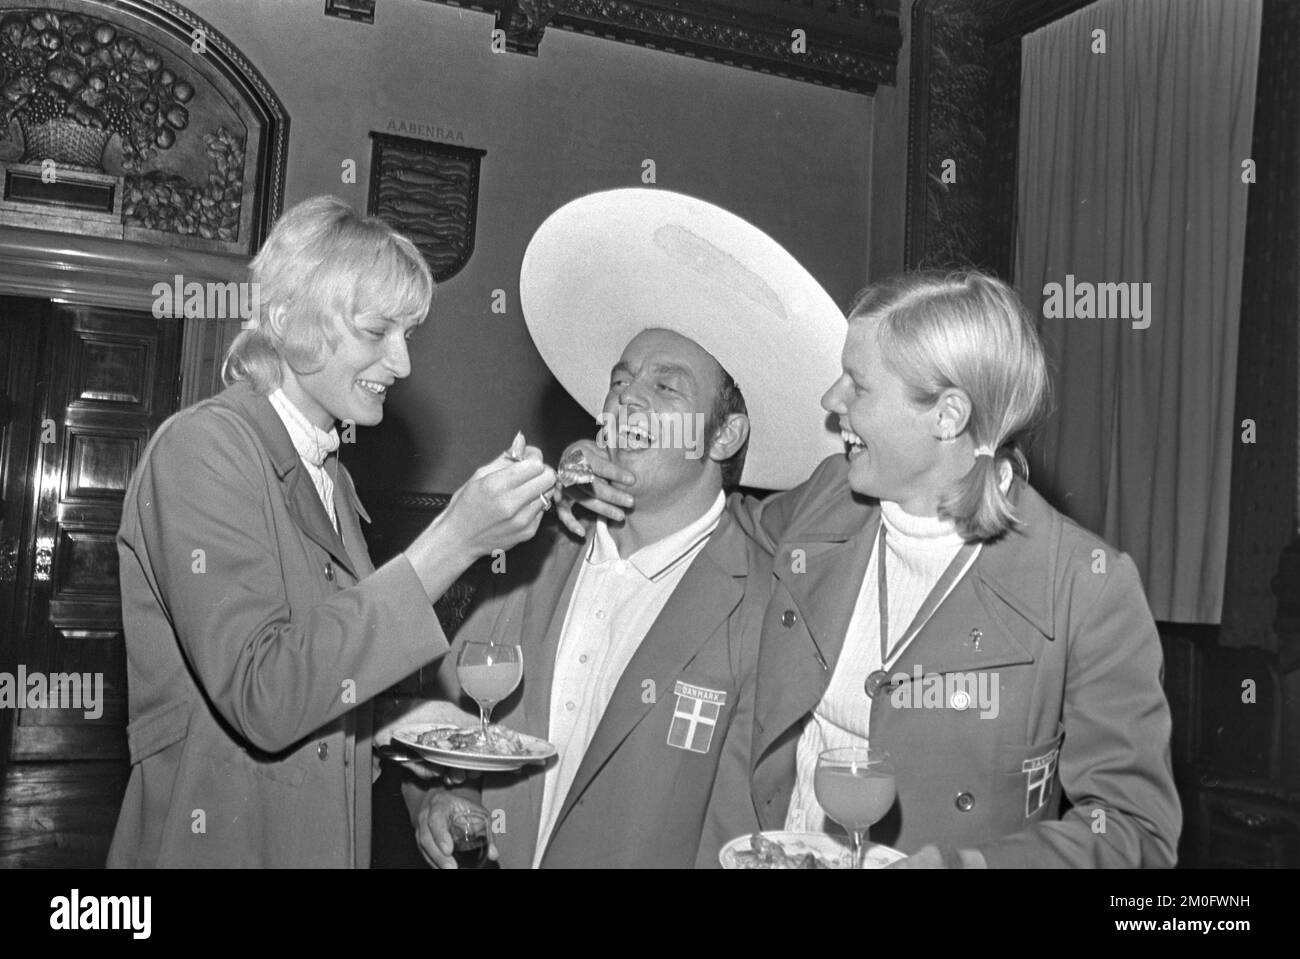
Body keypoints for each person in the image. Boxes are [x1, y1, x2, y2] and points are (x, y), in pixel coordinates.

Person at [564, 270, 1182, 867]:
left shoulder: (1084, 586)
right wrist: (594, 469)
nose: (830, 402)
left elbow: (1135, 830)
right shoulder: (831, 499)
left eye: (858, 385)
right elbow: (717, 526)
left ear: (947, 416)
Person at [395, 188, 845, 868]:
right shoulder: (530, 555)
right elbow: (439, 733)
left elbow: (752, 827)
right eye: (621, 379)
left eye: (667, 387)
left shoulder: (763, 596)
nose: (627, 397)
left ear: (724, 435)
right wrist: (439, 799)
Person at [108, 196, 556, 867]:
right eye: (379, 333)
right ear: (288, 322)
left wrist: (400, 734)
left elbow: (324, 673)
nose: (402, 365)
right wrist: (455, 539)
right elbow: (266, 694)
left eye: (408, 335)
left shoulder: (331, 477)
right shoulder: (203, 448)